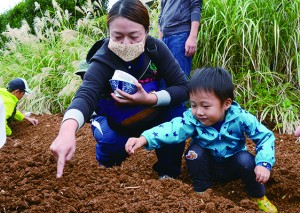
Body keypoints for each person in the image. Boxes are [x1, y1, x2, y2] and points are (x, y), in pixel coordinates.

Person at [50, 0, 189, 179]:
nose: (126, 44)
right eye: (117, 37)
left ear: (146, 31)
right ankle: (107, 166)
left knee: (177, 113)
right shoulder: (103, 59)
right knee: (111, 145)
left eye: (134, 36)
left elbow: (183, 86)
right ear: (108, 33)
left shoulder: (155, 48)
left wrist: (150, 99)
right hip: (117, 120)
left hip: (152, 112)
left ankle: (167, 172)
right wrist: (67, 131)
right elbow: (87, 94)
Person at [126, 67, 278, 213]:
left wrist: (264, 163)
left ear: (226, 103)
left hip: (232, 165)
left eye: (205, 106)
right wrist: (144, 138)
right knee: (194, 153)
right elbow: (172, 129)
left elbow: (265, 136)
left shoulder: (241, 118)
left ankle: (257, 196)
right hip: (207, 165)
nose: (199, 112)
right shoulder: (192, 119)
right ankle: (202, 193)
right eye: (193, 105)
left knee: (246, 161)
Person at [158, 0, 202, 77]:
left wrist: (192, 37)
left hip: (180, 36)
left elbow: (196, 7)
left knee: (179, 78)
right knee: (163, 79)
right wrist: (159, 43)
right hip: (164, 39)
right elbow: (161, 16)